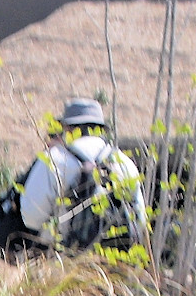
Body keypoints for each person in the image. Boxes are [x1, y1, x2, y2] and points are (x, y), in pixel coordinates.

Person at [16, 97, 147, 253]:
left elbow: (31, 216)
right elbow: (140, 220)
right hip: (117, 258)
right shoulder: (124, 162)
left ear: (67, 127)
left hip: (63, 256)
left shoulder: (54, 158)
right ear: (101, 128)